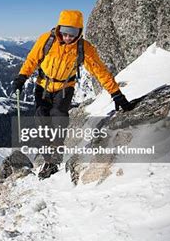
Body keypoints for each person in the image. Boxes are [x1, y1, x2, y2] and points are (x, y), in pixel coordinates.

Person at [12, 10, 134, 179]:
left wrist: (116, 93)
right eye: (65, 33)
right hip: (42, 86)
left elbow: (100, 71)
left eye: (73, 33)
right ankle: (48, 159)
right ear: (59, 29)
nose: (68, 37)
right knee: (42, 120)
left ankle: (53, 162)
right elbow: (32, 59)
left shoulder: (83, 48)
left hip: (64, 88)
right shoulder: (47, 40)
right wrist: (22, 77)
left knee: (59, 120)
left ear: (80, 32)